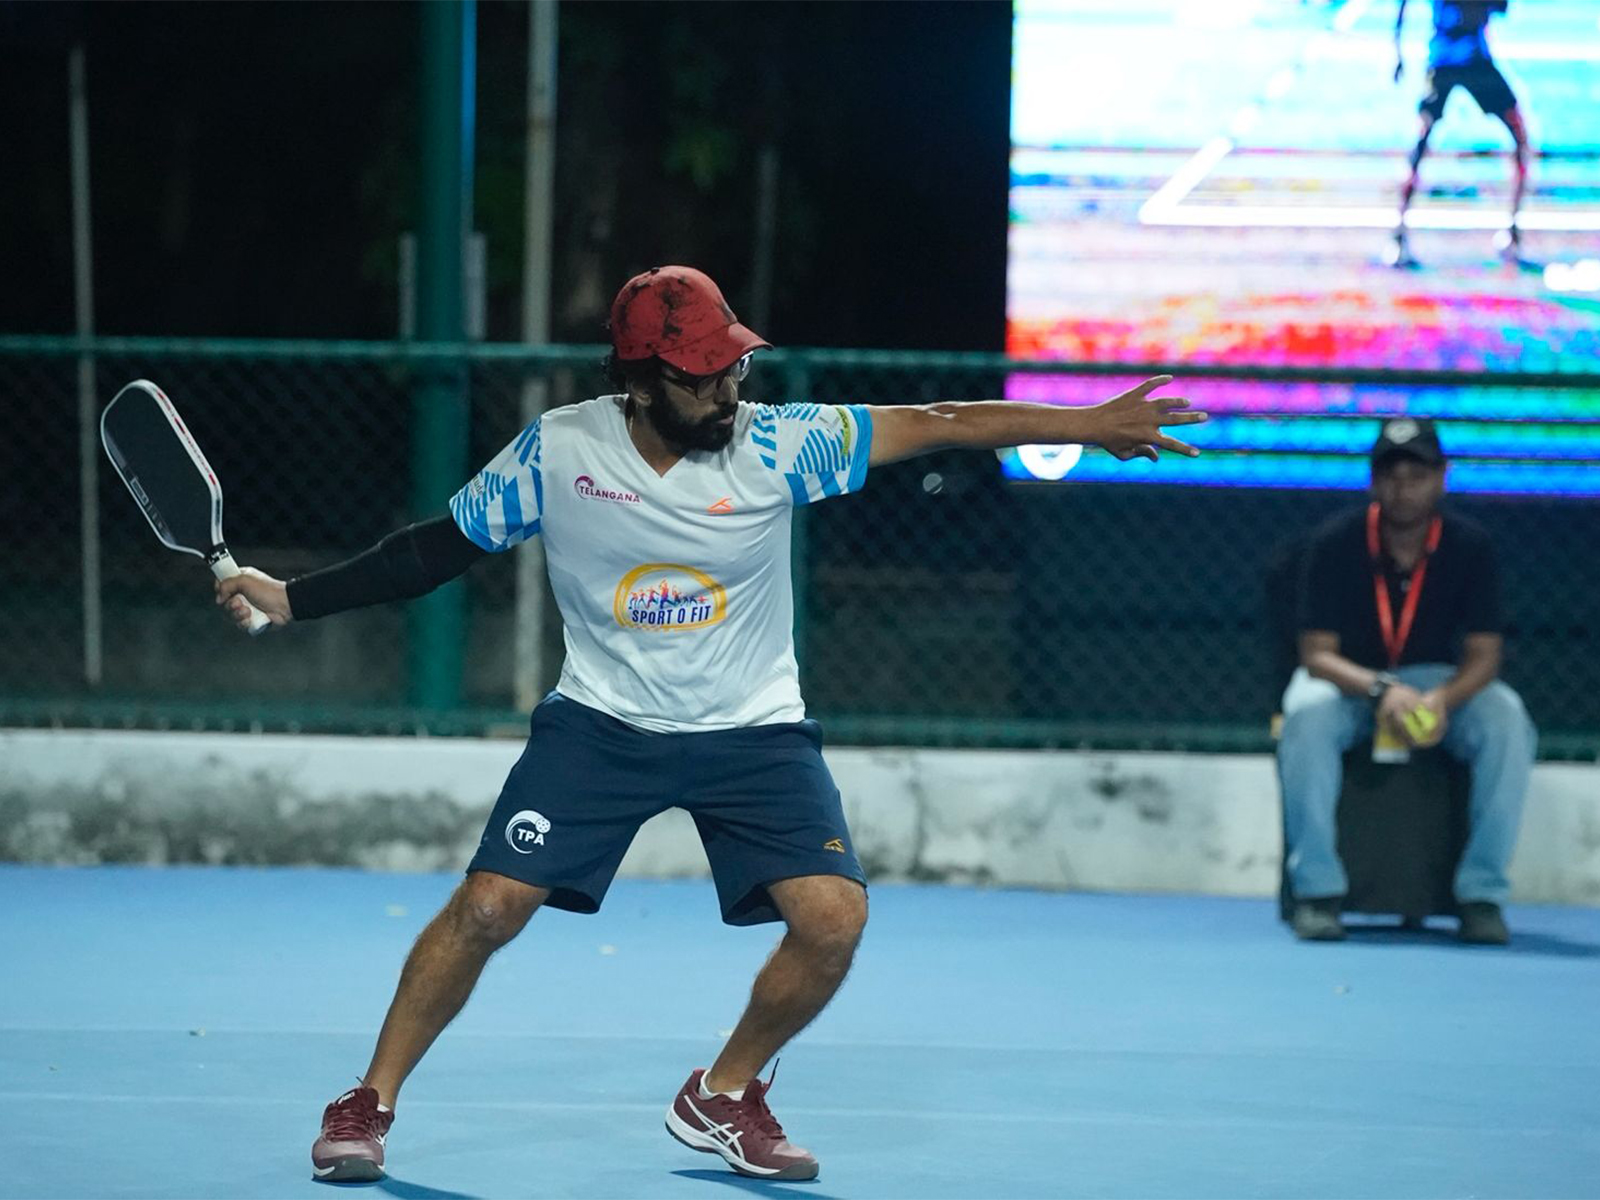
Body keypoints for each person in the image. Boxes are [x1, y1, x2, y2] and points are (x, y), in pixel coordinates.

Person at [215, 265, 1208, 1184]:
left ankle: (722, 1094)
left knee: (834, 921)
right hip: (602, 724)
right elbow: (435, 551)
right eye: (701, 375)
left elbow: (939, 422)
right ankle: (368, 1101)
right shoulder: (560, 450)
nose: (727, 389)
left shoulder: (779, 442)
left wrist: (1086, 423)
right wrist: (294, 599)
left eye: (734, 366)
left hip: (753, 733)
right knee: (487, 908)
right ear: (639, 378)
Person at [1279, 417, 1535, 945]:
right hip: (1352, 683)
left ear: (1441, 478)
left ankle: (1482, 895)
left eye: (1416, 476)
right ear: (1373, 482)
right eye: (1391, 476)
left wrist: (1443, 699)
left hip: (1435, 683)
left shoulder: (1471, 546)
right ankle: (1317, 892)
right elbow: (1316, 655)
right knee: (1305, 715)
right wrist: (1381, 690)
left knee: (1507, 720)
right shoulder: (1334, 542)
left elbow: (1485, 656)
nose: (1403, 488)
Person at [1389, 0, 1531, 267]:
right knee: (1521, 137)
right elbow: (1498, 8)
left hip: (1443, 61)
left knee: (1419, 143)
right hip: (1472, 59)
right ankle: (1512, 234)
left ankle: (1398, 235)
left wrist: (1397, 49)